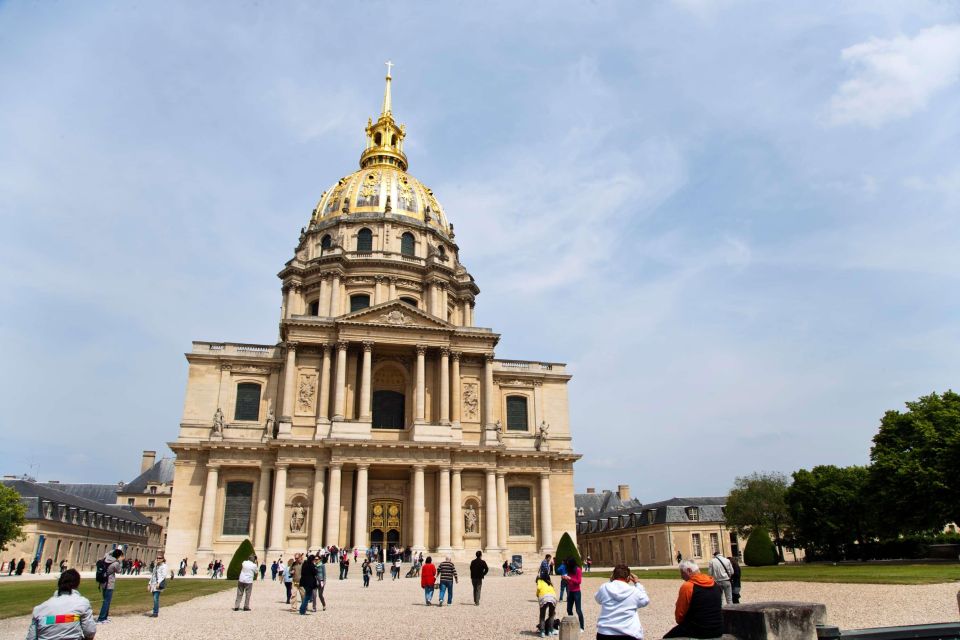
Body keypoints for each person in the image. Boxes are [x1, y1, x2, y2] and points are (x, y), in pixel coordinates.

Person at [26, 569, 97, 640]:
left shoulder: (39, 609)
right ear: (77, 585)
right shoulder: (82, 603)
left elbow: (31, 637)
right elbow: (90, 631)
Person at [663, 560, 723, 639]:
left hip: (699, 630)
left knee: (666, 637)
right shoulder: (714, 583)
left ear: (689, 571)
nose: (681, 576)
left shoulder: (688, 586)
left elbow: (679, 616)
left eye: (682, 573)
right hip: (718, 628)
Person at [595, 564, 651, 639]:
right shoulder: (634, 591)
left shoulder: (604, 587)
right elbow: (645, 600)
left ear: (613, 576)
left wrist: (610, 581)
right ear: (628, 578)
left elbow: (598, 599)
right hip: (628, 633)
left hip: (605, 633)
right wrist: (637, 583)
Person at [96, 549, 122, 623]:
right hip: (109, 583)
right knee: (107, 601)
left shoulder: (106, 558)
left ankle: (105, 617)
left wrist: (114, 550)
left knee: (106, 600)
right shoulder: (116, 563)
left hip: (103, 582)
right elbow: (119, 571)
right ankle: (101, 618)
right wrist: (120, 561)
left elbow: (107, 553)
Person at [561, 557, 584, 632]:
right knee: (569, 609)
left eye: (568, 563)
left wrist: (570, 578)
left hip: (577, 592)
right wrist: (565, 578)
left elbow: (579, 582)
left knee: (578, 610)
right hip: (570, 591)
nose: (567, 565)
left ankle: (582, 627)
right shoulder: (570, 570)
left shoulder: (578, 570)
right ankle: (572, 624)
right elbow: (570, 581)